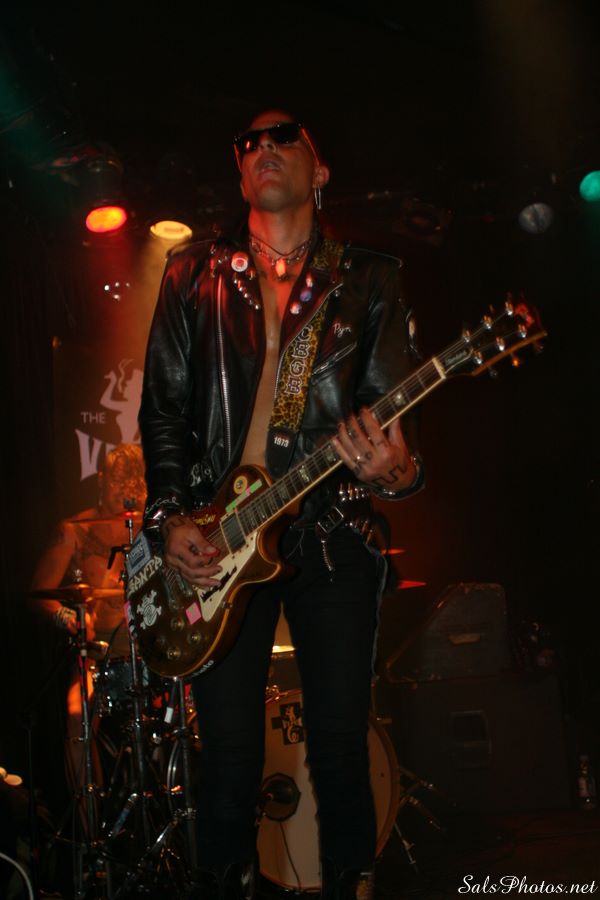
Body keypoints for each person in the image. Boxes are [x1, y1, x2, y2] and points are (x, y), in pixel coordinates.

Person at [138, 111, 423, 900]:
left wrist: (397, 471)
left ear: (319, 171)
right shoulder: (192, 273)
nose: (263, 146)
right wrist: (172, 518)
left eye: (283, 135)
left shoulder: (366, 278)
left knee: (340, 748)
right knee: (229, 759)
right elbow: (163, 410)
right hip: (221, 539)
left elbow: (392, 425)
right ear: (239, 174)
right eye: (248, 142)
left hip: (331, 531)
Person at [31, 443, 146, 796]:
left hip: (153, 646)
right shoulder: (75, 529)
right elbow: (40, 593)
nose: (126, 492)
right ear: (101, 480)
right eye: (118, 482)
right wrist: (67, 616)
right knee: (76, 715)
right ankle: (89, 820)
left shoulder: (153, 527)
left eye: (134, 484)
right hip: (100, 653)